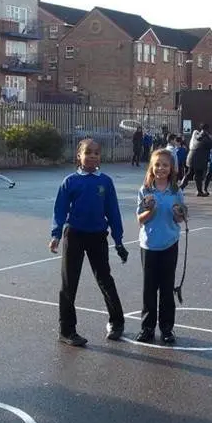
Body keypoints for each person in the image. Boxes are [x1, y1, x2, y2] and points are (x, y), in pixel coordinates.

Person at [49, 139, 128, 346]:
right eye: (88, 152)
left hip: (97, 236)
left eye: (96, 153)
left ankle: (117, 323)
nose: (92, 156)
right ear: (79, 156)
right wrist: (56, 235)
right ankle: (67, 330)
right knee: (69, 284)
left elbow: (113, 212)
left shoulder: (106, 182)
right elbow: (60, 210)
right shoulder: (70, 182)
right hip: (74, 235)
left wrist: (118, 240)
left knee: (105, 279)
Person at [135, 149, 187, 344]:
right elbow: (140, 219)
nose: (161, 168)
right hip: (149, 246)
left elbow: (181, 218)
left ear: (171, 168)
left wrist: (178, 212)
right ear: (151, 167)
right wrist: (151, 210)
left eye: (165, 165)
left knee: (166, 289)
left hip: (169, 244)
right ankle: (147, 328)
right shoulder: (145, 190)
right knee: (149, 289)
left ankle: (167, 328)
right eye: (157, 164)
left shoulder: (176, 191)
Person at [180, 123, 212, 196]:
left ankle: (180, 188)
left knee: (190, 173)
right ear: (207, 130)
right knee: (198, 175)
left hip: (191, 157)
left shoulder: (197, 135)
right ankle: (199, 191)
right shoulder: (205, 138)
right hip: (199, 159)